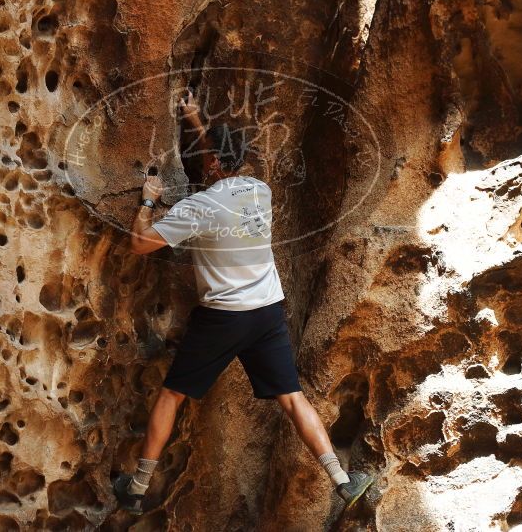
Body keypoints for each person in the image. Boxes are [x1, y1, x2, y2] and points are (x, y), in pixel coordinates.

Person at [112, 90, 373, 515]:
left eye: (206, 159)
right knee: (293, 398)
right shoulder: (259, 191)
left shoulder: (199, 207)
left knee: (171, 396)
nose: (202, 163)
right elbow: (220, 161)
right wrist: (195, 119)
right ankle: (343, 481)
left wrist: (147, 201)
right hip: (267, 314)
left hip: (222, 319)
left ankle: (137, 485)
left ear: (212, 162)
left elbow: (142, 244)